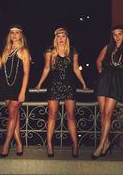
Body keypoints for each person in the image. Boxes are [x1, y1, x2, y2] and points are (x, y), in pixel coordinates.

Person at [35, 27, 87, 158]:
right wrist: (39, 83)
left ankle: (75, 145)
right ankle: (49, 145)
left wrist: (83, 82)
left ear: (67, 38)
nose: (61, 39)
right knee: (52, 116)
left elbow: (76, 68)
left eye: (63, 36)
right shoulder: (49, 51)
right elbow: (46, 68)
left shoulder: (73, 51)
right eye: (58, 36)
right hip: (53, 86)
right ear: (55, 38)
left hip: (69, 86)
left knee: (71, 116)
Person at [91, 25, 123, 159]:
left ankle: (101, 145)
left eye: (119, 34)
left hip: (116, 82)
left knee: (108, 114)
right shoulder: (107, 47)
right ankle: (107, 141)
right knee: (102, 113)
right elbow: (98, 60)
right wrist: (101, 72)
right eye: (115, 34)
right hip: (104, 80)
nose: (117, 37)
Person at [0, 24, 31, 157]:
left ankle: (6, 144)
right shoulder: (7, 49)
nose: (14, 35)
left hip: (17, 87)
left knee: (12, 115)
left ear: (21, 35)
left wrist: (22, 92)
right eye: (12, 32)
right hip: (6, 85)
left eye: (17, 32)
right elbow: (1, 65)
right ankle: (19, 143)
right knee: (14, 116)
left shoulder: (24, 51)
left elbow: (26, 73)